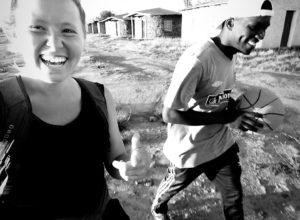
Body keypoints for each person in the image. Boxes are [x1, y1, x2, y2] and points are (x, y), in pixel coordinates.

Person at [0, 0, 150, 219]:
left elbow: (115, 158)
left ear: (83, 38)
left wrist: (129, 166)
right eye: (37, 27)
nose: (54, 44)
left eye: (68, 30)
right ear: (14, 35)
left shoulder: (99, 95)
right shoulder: (4, 101)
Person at [151, 0, 274, 219]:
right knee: (171, 187)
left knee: (233, 197)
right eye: (255, 26)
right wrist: (228, 117)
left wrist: (235, 106)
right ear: (230, 22)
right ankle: (158, 207)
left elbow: (216, 95)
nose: (262, 35)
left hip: (220, 143)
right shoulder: (197, 59)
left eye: (265, 28)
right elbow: (169, 114)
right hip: (189, 149)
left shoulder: (230, 54)